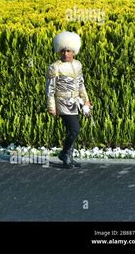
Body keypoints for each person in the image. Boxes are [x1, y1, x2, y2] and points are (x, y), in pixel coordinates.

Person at [45, 31, 91, 168]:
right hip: (62, 104)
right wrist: (51, 107)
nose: (66, 54)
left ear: (74, 52)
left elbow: (81, 85)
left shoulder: (78, 65)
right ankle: (65, 153)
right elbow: (50, 89)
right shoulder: (55, 67)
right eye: (63, 51)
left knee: (73, 131)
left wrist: (86, 100)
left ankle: (69, 157)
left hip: (75, 103)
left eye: (69, 51)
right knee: (75, 129)